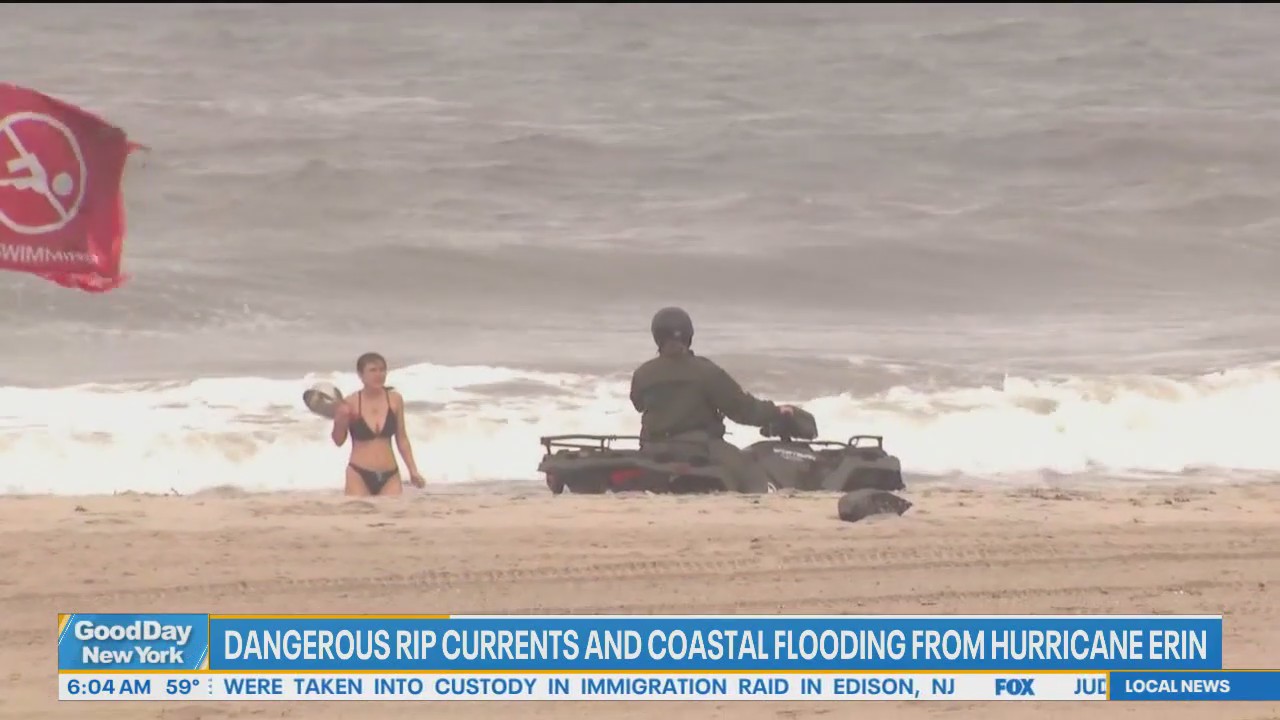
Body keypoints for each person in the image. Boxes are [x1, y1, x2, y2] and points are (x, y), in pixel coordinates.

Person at [628, 306, 795, 494]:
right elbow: (742, 409)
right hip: (700, 448)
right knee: (749, 469)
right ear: (688, 335)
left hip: (653, 448)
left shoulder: (643, 373)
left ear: (657, 337)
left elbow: (638, 404)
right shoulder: (706, 371)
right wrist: (775, 411)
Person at [330, 352, 426, 496]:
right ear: (360, 374)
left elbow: (402, 438)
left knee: (392, 516)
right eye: (373, 370)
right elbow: (338, 441)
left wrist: (413, 470)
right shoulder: (350, 402)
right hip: (358, 474)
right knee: (360, 517)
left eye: (382, 370)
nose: (379, 374)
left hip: (390, 474)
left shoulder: (394, 400)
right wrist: (340, 420)